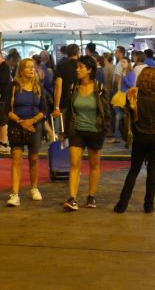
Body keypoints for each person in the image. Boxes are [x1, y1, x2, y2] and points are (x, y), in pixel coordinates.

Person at [114, 66, 155, 214]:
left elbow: (127, 112)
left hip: (140, 137)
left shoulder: (133, 96)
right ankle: (148, 205)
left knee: (134, 171)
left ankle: (122, 204)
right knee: (152, 171)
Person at [62, 55, 110, 211]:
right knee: (75, 163)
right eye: (77, 67)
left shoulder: (99, 88)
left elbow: (106, 112)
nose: (77, 70)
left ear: (89, 70)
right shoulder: (73, 87)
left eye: (81, 67)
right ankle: (72, 198)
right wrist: (64, 131)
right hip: (77, 130)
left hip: (95, 130)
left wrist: (104, 128)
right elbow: (69, 110)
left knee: (94, 164)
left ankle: (91, 196)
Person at [5, 59, 48, 206]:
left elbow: (44, 110)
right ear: (21, 70)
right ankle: (14, 194)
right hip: (17, 125)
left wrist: (32, 121)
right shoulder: (13, 86)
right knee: (16, 159)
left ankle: (34, 188)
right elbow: (7, 110)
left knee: (34, 159)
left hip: (35, 126)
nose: (31, 70)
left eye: (33, 67)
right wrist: (21, 122)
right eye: (28, 67)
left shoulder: (39, 87)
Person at [0, 49, 12, 152]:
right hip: (1, 98)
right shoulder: (0, 67)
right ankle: (1, 142)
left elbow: (3, 81)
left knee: (3, 121)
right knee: (0, 122)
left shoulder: (4, 67)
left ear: (0, 55)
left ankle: (4, 143)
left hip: (3, 98)